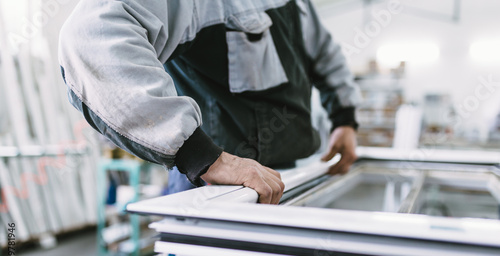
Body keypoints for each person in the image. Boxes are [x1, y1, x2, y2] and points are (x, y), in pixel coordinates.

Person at [59, 0, 361, 204]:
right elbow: (90, 37)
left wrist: (344, 119)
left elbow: (322, 51)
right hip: (215, 185)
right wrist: (202, 156)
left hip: (279, 179)